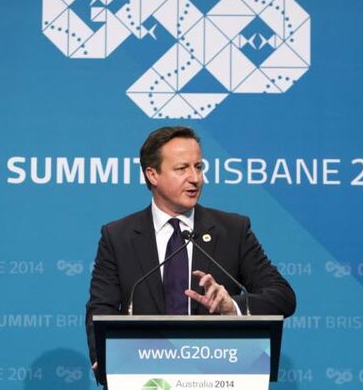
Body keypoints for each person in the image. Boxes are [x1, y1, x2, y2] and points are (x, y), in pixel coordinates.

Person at [85, 126, 296, 370]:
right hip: (144, 373)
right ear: (153, 175)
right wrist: (104, 355)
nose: (195, 178)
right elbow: (102, 307)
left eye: (198, 167)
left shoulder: (232, 230)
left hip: (217, 373)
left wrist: (233, 306)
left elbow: (283, 296)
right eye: (182, 168)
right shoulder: (118, 236)